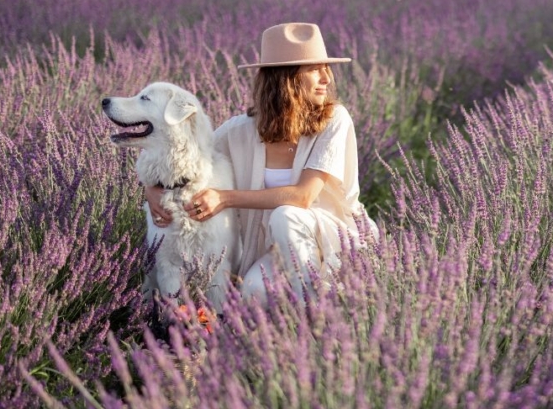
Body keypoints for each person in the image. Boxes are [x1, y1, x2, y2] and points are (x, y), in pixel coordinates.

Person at [146, 22, 379, 308]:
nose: (326, 78)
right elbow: (186, 154)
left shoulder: (335, 120)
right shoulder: (239, 131)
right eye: (315, 69)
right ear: (286, 78)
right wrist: (151, 188)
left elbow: (302, 197)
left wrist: (225, 198)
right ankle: (300, 313)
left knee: (286, 215)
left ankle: (314, 315)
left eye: (326, 68)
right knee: (252, 294)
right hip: (280, 251)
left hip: (335, 243)